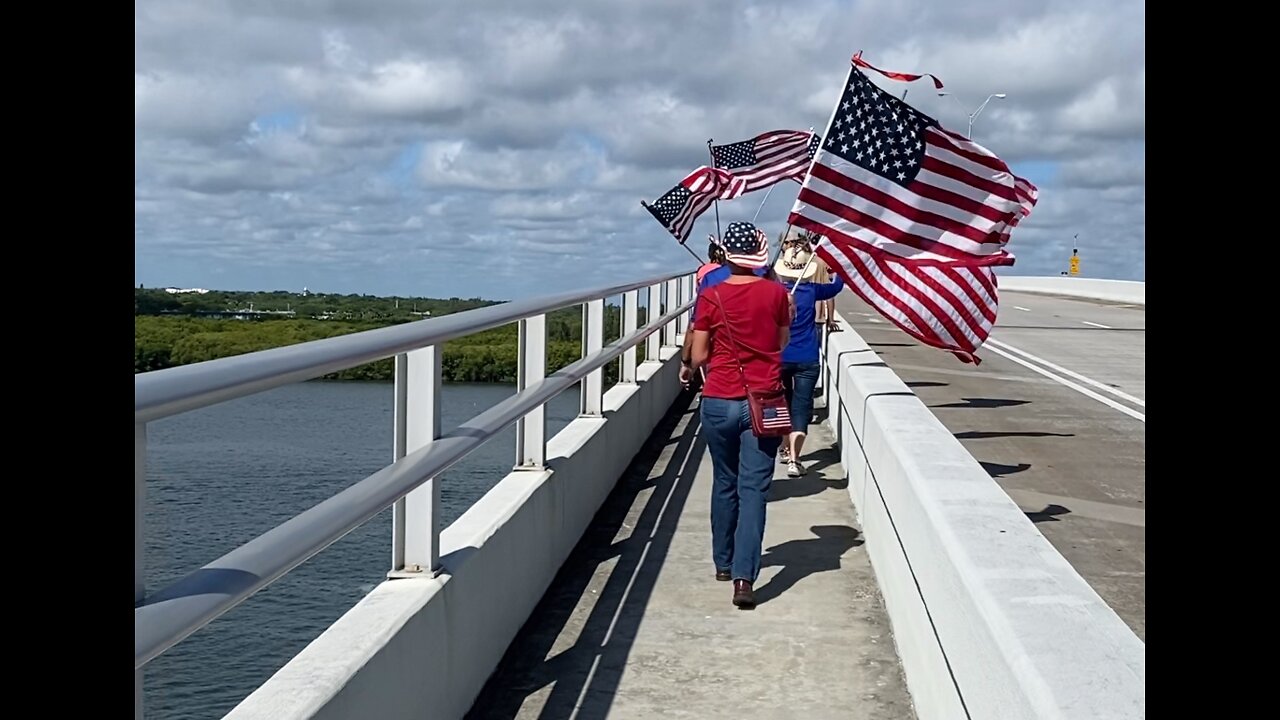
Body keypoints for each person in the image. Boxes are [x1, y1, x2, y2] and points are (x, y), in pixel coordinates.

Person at [685, 221, 792, 609]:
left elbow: (697, 355)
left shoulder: (710, 295)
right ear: (760, 255)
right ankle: (745, 580)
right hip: (764, 401)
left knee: (724, 481)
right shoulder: (777, 293)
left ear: (726, 254)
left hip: (718, 400)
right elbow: (779, 343)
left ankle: (723, 562)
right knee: (754, 490)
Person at [772, 230, 844, 477]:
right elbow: (836, 287)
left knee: (783, 404)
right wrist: (838, 269)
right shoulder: (812, 290)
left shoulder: (774, 292)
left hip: (779, 358)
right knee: (802, 408)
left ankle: (783, 448)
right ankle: (795, 459)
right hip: (808, 357)